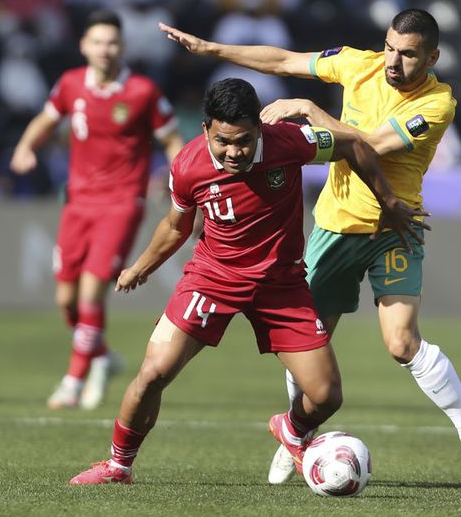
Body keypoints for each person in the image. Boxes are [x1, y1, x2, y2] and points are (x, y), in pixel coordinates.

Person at [159, 8, 461, 482]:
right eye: (389, 48)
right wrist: (213, 49)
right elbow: (281, 60)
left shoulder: (439, 103)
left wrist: (308, 109)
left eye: (408, 54)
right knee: (308, 340)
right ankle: (297, 435)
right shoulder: (356, 63)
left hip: (394, 226)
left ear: (433, 57)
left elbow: (369, 145)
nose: (393, 61)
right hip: (335, 228)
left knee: (402, 342)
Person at [68, 77, 426, 485]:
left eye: (244, 140)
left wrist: (389, 201)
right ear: (206, 130)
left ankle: (290, 428)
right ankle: (118, 466)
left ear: (260, 127)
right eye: (224, 141)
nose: (234, 151)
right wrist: (140, 267)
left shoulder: (290, 142)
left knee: (327, 396)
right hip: (212, 279)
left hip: (282, 285)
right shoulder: (187, 166)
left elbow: (354, 145)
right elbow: (175, 226)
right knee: (153, 373)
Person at [10, 10, 184, 410]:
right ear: (84, 46)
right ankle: (102, 357)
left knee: (92, 291)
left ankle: (73, 380)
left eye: (113, 42)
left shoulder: (143, 91)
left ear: (122, 47)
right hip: (77, 203)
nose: (106, 49)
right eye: (98, 42)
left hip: (122, 202)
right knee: (66, 301)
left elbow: (173, 141)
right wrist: (25, 148)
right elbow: (45, 120)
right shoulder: (70, 84)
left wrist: (181, 181)